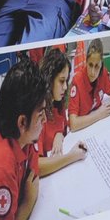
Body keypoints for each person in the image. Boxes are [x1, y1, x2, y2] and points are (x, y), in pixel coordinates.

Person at [0, 56, 48, 220]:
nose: (44, 120)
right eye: (41, 113)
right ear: (22, 122)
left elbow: (32, 173)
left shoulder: (23, 135)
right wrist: (27, 203)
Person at [34, 46, 88, 175]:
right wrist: (72, 156)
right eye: (61, 81)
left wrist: (59, 134)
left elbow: (63, 126)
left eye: (66, 81)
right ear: (49, 79)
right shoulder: (37, 112)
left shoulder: (58, 103)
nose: (65, 87)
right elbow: (37, 165)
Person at [69, 38, 110, 130]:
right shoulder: (77, 81)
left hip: (97, 127)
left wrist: (109, 107)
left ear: (101, 65)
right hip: (81, 130)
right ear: (86, 62)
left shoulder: (103, 72)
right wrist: (99, 114)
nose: (92, 72)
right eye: (90, 65)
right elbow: (73, 124)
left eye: (97, 66)